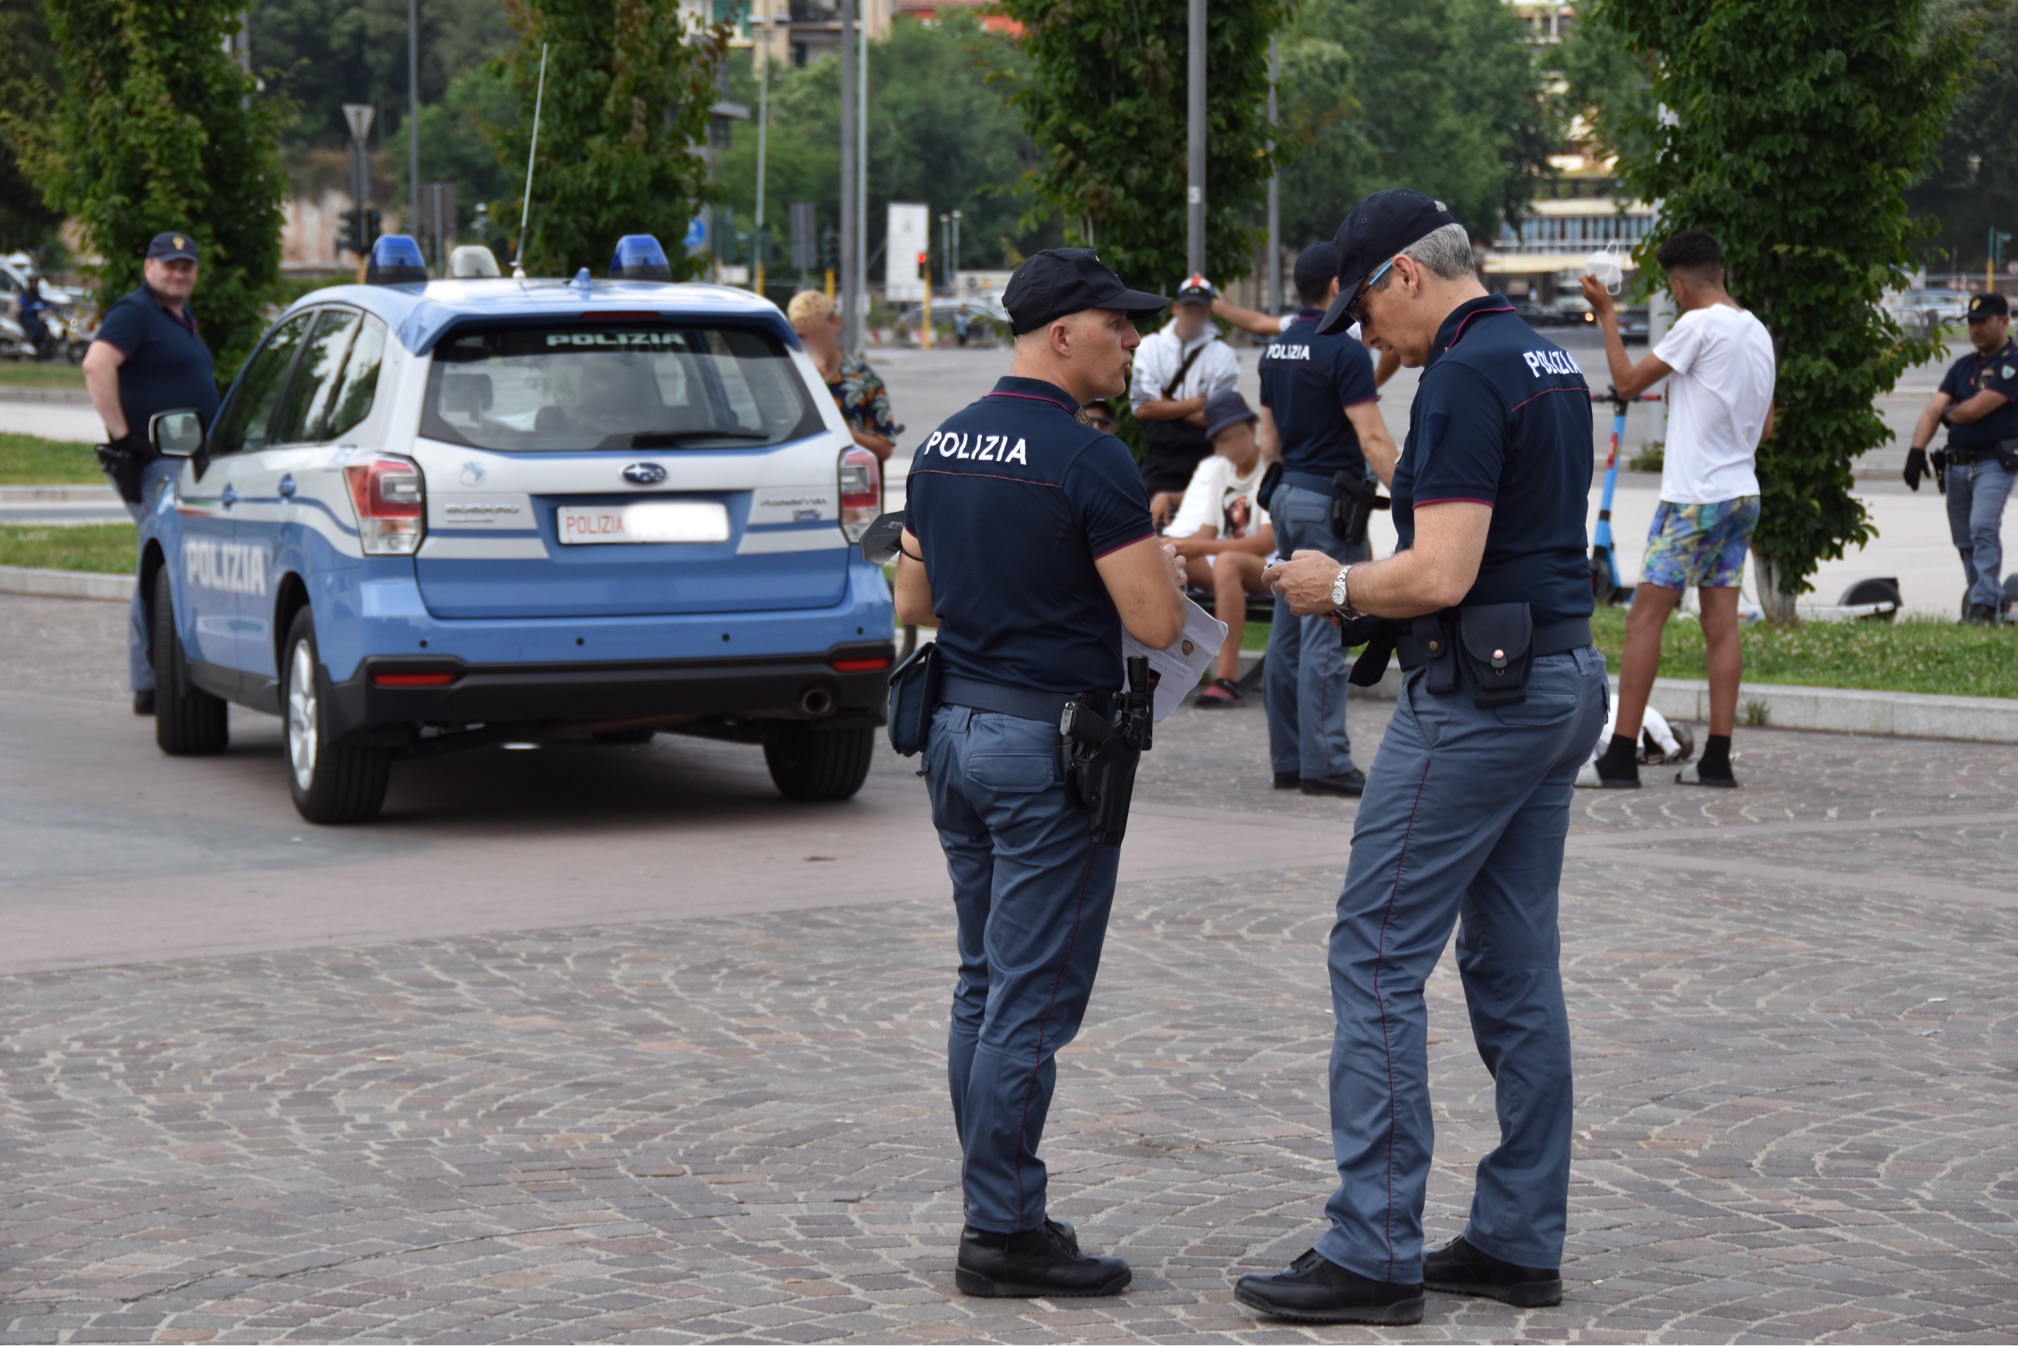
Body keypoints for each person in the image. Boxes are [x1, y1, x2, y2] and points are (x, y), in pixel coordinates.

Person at [1234, 190, 1606, 1325]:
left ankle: (1373, 1245)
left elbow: (1440, 570)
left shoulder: (1457, 375)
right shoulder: (1543, 359)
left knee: (1376, 949)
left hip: (1480, 698)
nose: (1362, 337)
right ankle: (1514, 1234)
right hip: (1556, 676)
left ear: (1405, 275)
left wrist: (1332, 584)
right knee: (1511, 961)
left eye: (1363, 307)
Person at [891, 247, 1186, 1300]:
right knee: (1026, 997)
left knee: (981, 980)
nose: (1133, 341)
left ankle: (998, 1207)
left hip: (956, 733)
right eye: (1118, 325)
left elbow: (915, 600)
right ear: (1062, 332)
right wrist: (1154, 563)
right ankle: (1002, 1228)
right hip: (1044, 750)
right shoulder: (1087, 458)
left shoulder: (940, 444)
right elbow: (1153, 621)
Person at [1580, 229, 1777, 789]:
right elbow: (1763, 424)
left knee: (1645, 617)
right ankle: (1717, 759)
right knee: (1721, 623)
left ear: (1679, 285)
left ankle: (1619, 758)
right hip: (1742, 494)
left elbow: (1625, 381)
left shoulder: (1697, 324)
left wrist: (1607, 314)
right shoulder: (1755, 331)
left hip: (1694, 498)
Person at [1258, 241, 1400, 797]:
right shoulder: (1342, 351)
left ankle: (1289, 759)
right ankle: (1326, 762)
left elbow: (1269, 438)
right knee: (1325, 627)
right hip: (1329, 502)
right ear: (1338, 286)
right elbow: (1371, 436)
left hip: (1288, 492)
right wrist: (1410, 498)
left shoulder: (1277, 350)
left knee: (1287, 633)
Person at [82, 231, 219, 717]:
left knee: (158, 565)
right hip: (158, 460)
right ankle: (152, 681)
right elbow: (97, 364)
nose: (178, 273)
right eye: (169, 264)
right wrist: (124, 437)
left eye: (186, 265)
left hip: (185, 461)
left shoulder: (178, 319)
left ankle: (151, 681)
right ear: (148, 267)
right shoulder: (135, 312)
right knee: (160, 568)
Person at [1906, 291, 2017, 625]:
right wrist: (1915, 451)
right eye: (1971, 323)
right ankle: (1979, 602)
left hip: (1993, 462)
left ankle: (1984, 602)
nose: (1976, 329)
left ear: (2004, 321)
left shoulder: (2012, 362)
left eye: (1983, 322)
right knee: (1964, 537)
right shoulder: (1963, 366)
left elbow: (1975, 409)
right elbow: (1933, 409)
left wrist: (1950, 413)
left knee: (1983, 526)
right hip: (1957, 464)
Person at [1166, 389, 1277, 706]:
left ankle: (1225, 676)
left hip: (1268, 567)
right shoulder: (1220, 472)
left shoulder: (1270, 467)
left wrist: (1199, 545)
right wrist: (1181, 545)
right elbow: (1207, 531)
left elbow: (1268, 541)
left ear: (1252, 430)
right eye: (1223, 440)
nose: (1232, 446)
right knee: (1165, 552)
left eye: (1237, 436)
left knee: (1226, 560)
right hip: (1226, 567)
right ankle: (1161, 666)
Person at [1131, 274, 1240, 521]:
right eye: (1189, 309)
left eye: (1200, 310)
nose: (1194, 317)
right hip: (1160, 461)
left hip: (1205, 458)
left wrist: (1164, 404)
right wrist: (1199, 403)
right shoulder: (1150, 346)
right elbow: (1142, 408)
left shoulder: (1223, 355)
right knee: (1156, 530)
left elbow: (1218, 419)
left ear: (1209, 312)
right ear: (1177, 307)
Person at [787, 289, 899, 462]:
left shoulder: (865, 380)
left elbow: (884, 448)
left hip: (848, 481)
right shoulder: (787, 378)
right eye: (803, 337)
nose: (812, 343)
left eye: (819, 334)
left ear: (836, 323)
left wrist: (840, 431)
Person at [1215, 289, 1403, 390]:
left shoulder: (1300, 324)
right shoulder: (1346, 326)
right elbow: (1392, 348)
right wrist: (1371, 385)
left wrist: (1371, 384)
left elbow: (1259, 323)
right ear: (1335, 285)